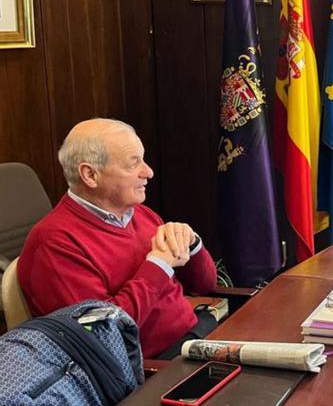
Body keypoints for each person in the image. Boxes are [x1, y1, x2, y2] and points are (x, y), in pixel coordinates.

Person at [18, 118, 218, 359]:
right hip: (150, 369)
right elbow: (102, 335)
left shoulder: (139, 213)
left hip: (195, 337)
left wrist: (192, 244)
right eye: (133, 164)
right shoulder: (54, 244)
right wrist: (158, 266)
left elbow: (204, 285)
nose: (148, 172)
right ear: (90, 175)